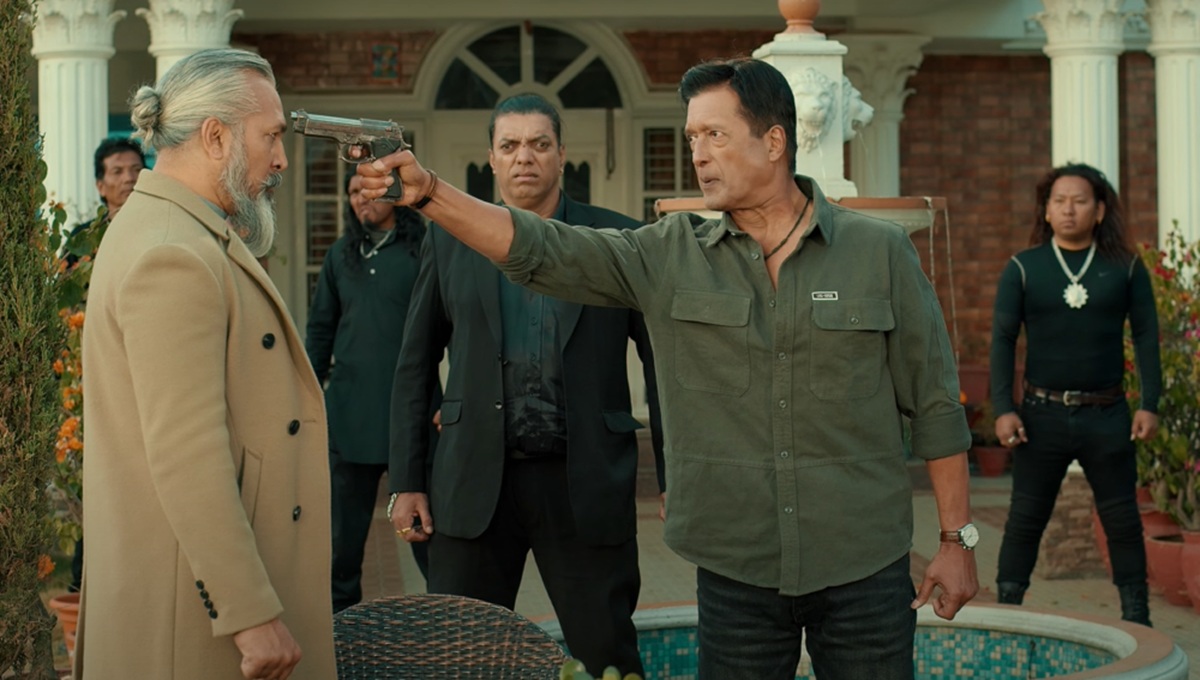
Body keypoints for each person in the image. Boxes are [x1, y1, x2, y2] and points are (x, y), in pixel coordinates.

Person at [363, 60, 976, 680]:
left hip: (865, 567)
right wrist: (429, 193)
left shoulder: (879, 252)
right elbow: (542, 249)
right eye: (692, 138)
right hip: (737, 575)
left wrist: (955, 540)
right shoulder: (669, 254)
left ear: (773, 141)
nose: (698, 155)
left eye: (715, 135)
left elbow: (935, 405)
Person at [76, 48, 335, 680]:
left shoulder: (177, 230)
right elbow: (186, 449)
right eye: (271, 136)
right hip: (194, 629)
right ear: (216, 137)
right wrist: (249, 612)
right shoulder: (173, 252)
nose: (281, 159)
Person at [388, 93, 664, 677]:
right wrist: (407, 480)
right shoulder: (448, 238)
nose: (525, 158)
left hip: (584, 481)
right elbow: (415, 362)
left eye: (540, 144)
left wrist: (674, 477)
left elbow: (663, 367)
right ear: (491, 157)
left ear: (562, 154)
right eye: (510, 145)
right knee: (459, 659)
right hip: (474, 483)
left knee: (606, 658)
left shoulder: (620, 238)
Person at [989, 163, 1160, 626]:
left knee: (1122, 519)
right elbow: (1003, 340)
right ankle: (1006, 613)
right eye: (1059, 201)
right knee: (1025, 517)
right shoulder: (1024, 267)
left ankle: (1138, 618)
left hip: (1107, 414)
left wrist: (1149, 403)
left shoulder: (1125, 268)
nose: (1069, 209)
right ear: (1046, 210)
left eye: (1080, 201)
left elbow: (1146, 335)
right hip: (1040, 415)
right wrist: (1003, 408)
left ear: (1099, 210)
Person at [305, 174, 432, 613]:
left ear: (394, 194)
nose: (361, 199)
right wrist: (309, 398)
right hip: (349, 416)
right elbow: (320, 332)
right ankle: (339, 631)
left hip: (413, 419)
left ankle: (452, 623)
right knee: (341, 544)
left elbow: (454, 326)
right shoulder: (341, 256)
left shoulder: (422, 251)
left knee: (428, 537)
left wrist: (453, 399)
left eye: (369, 191)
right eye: (354, 193)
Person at [66, 137, 148, 592]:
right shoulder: (82, 243)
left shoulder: (158, 230)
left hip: (145, 376)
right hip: (91, 377)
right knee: (96, 481)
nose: (129, 179)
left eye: (135, 169)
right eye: (117, 171)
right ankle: (85, 585)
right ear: (101, 185)